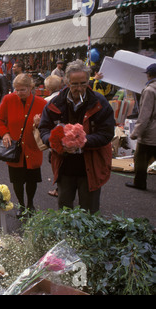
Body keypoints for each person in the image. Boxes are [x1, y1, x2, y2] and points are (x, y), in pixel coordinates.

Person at [39, 59, 115, 214]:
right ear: (67, 82)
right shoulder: (55, 103)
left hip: (91, 166)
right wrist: (54, 142)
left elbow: (107, 133)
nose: (79, 88)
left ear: (88, 81)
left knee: (89, 212)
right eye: (74, 84)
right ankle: (67, 238)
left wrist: (82, 142)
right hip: (64, 166)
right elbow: (44, 128)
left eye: (83, 83)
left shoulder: (100, 103)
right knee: (64, 210)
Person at [0, 74, 47, 216]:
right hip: (14, 148)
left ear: (31, 88)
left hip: (32, 148)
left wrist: (39, 124)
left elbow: (49, 125)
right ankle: (21, 205)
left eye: (22, 90)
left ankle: (30, 204)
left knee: (31, 180)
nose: (18, 93)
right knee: (17, 180)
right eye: (16, 89)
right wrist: (5, 133)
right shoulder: (8, 100)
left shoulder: (42, 103)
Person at [126, 63, 156, 191]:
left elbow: (145, 114)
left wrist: (135, 133)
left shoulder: (150, 90)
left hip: (151, 130)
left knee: (140, 157)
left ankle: (139, 182)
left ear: (149, 75)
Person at [42, 74, 64, 198]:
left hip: (53, 138)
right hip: (63, 135)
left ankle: (58, 188)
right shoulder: (63, 97)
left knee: (56, 163)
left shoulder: (47, 100)